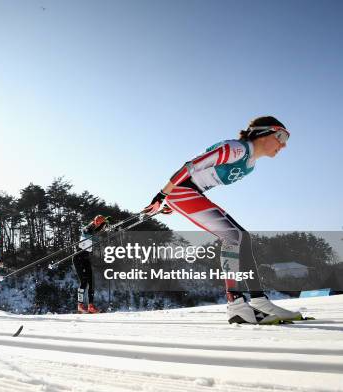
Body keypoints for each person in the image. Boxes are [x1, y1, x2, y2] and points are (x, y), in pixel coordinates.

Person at [143, 116, 301, 324]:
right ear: (262, 133)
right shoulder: (237, 149)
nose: (284, 144)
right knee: (233, 236)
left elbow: (199, 180)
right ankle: (235, 305)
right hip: (182, 191)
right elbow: (191, 166)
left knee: (243, 237)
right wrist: (162, 196)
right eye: (280, 135)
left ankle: (259, 301)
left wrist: (173, 204)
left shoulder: (250, 164)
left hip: (190, 193)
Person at [74, 215, 108, 314]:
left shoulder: (99, 228)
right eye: (96, 221)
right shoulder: (88, 228)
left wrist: (107, 222)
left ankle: (91, 306)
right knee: (84, 282)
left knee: (91, 282)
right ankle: (80, 305)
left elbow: (103, 226)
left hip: (86, 258)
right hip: (78, 258)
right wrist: (97, 238)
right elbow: (85, 231)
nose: (97, 223)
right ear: (94, 221)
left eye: (100, 222)